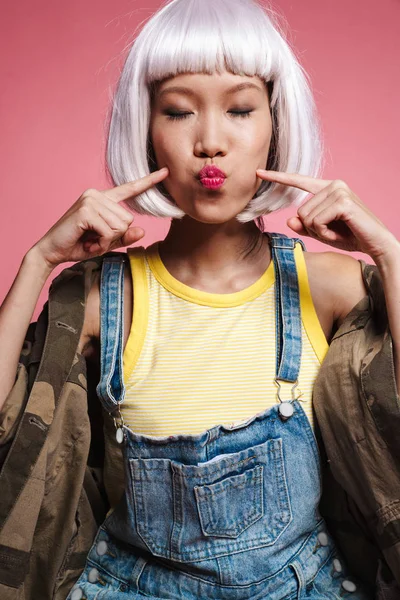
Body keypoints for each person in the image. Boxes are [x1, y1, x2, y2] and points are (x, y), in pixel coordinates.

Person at [1, 0, 399, 598]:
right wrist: (36, 263)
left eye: (240, 109)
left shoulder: (327, 288)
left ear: (276, 126)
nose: (210, 141)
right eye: (179, 111)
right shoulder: (102, 298)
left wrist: (391, 256)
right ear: (147, 128)